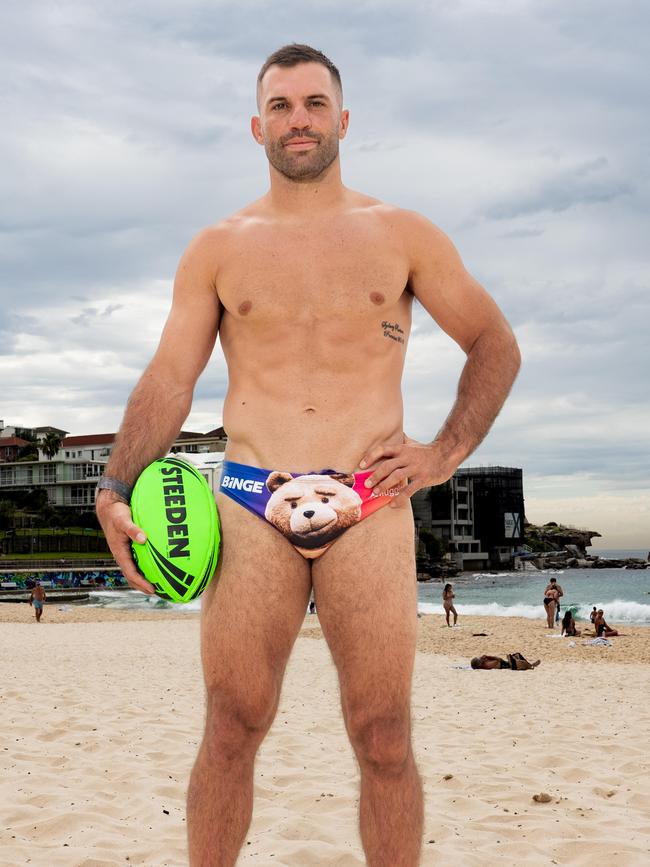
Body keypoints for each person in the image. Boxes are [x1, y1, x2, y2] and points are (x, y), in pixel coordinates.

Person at [95, 44, 521, 867]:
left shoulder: (401, 233)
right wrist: (114, 485)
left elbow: (493, 342)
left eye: (315, 103)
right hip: (254, 492)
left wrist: (445, 450)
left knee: (385, 734)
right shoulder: (218, 247)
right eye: (283, 106)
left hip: (370, 492)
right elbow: (169, 378)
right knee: (231, 724)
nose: (299, 119)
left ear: (343, 120)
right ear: (257, 126)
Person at [470, 653, 540, 670]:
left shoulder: (485, 663)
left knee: (517, 655)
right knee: (515, 657)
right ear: (479, 664)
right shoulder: (486, 665)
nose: (481, 658)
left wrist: (487, 658)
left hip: (508, 664)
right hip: (509, 666)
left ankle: (530, 665)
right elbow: (499, 660)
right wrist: (488, 657)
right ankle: (530, 666)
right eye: (479, 659)